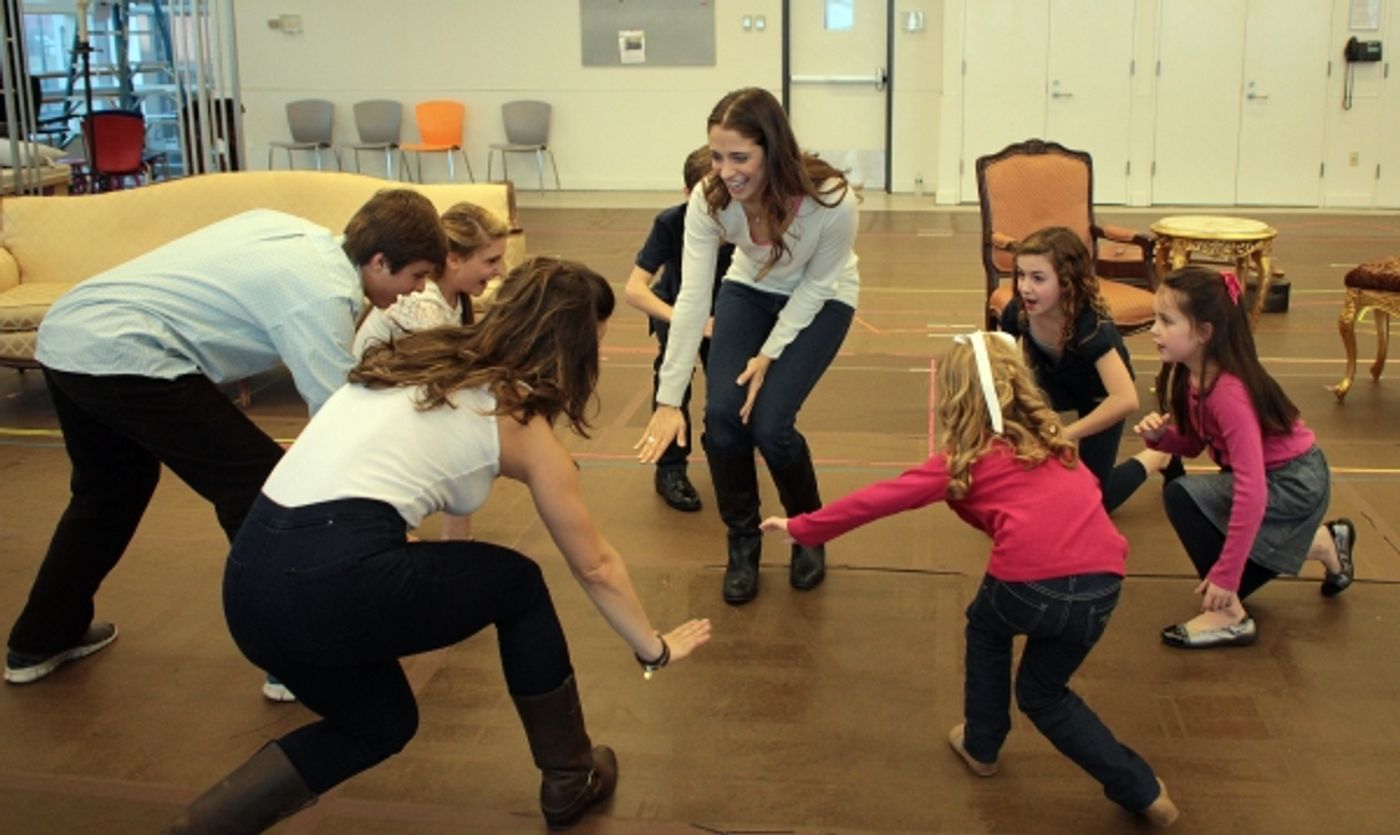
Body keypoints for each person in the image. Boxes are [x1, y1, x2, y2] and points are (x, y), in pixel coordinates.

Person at [164, 256, 711, 834]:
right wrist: (653, 648)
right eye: (593, 347)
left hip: (250, 583)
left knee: (381, 724)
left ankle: (203, 827)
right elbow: (596, 564)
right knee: (518, 585)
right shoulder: (517, 423)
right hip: (333, 578)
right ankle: (570, 776)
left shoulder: (417, 359)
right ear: (570, 349)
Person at [4, 189, 446, 688]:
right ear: (380, 260)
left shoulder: (296, 232)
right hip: (128, 352)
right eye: (417, 276)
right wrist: (388, 507)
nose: (416, 291)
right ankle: (295, 659)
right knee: (257, 492)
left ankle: (40, 638)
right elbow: (333, 419)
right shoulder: (323, 292)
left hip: (70, 334)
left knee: (110, 491)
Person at [759, 331, 1178, 827]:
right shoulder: (1057, 447)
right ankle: (1144, 791)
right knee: (1045, 695)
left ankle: (982, 743)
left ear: (955, 398)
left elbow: (877, 500)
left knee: (986, 627)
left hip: (1027, 583)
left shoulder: (964, 460)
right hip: (1103, 583)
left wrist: (804, 527)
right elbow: (1089, 497)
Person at [638, 87, 859, 606]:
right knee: (721, 419)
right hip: (748, 289)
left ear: (772, 149)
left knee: (771, 425)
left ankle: (810, 530)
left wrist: (771, 352)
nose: (726, 170)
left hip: (823, 298)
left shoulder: (830, 200)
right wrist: (670, 398)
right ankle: (743, 541)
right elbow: (693, 299)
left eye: (740, 157)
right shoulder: (709, 200)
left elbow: (816, 285)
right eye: (717, 156)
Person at [1136, 266, 1355, 649]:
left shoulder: (1229, 392)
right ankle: (1322, 543)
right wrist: (1161, 439)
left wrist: (1226, 575)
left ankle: (1228, 615)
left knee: (1188, 502)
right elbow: (1191, 445)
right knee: (1192, 502)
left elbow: (1251, 491)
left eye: (1166, 321)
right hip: (1280, 478)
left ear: (1205, 333)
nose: (1154, 329)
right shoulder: (1192, 376)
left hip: (1295, 481)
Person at [353, 201, 509, 541]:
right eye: (491, 260)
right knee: (471, 432)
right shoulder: (423, 305)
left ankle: (456, 538)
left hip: (396, 400)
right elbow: (449, 378)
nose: (500, 270)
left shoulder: (453, 297)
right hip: (372, 412)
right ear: (453, 259)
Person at [998, 226, 1176, 512]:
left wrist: (1065, 433)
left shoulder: (1091, 328)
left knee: (1096, 501)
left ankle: (1160, 456)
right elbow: (1000, 362)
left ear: (1067, 282)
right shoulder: (1017, 311)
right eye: (1021, 274)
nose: (1025, 287)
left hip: (1100, 398)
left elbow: (1126, 399)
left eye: (1038, 278)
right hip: (1054, 385)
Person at [623, 145, 734, 512]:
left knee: (728, 392)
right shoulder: (671, 223)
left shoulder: (745, 223)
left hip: (727, 320)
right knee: (673, 382)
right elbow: (635, 290)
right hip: (676, 311)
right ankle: (670, 468)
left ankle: (728, 458)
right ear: (689, 195)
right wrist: (689, 322)